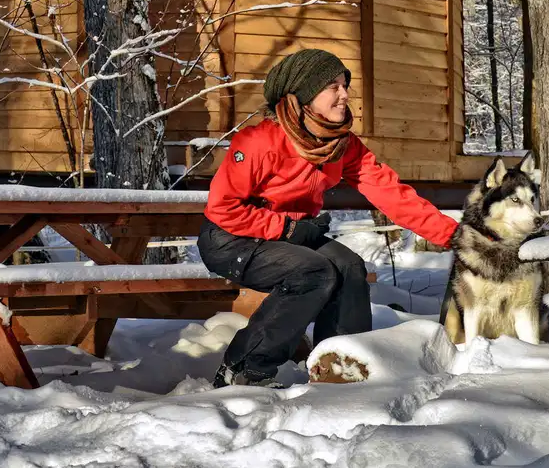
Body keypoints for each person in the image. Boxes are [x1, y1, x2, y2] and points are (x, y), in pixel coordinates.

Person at [197, 48, 460, 388]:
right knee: (313, 271)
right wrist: (287, 228)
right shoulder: (259, 141)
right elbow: (224, 209)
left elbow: (389, 192)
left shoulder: (340, 145)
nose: (344, 94)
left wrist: (453, 234)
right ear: (303, 97)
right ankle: (244, 369)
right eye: (332, 86)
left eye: (344, 85)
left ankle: (340, 367)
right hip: (231, 238)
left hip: (290, 236)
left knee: (349, 267)